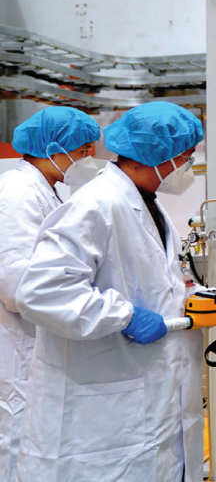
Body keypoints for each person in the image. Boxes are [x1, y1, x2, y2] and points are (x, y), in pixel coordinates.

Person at [14, 102, 216, 482]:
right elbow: (42, 292)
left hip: (148, 398)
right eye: (186, 156)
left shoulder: (148, 205)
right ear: (158, 155)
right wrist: (126, 316)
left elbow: (167, 284)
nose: (189, 165)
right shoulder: (96, 205)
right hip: (101, 413)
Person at [0, 107, 101, 481]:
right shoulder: (18, 193)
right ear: (53, 148)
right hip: (20, 344)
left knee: (36, 441)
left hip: (37, 341)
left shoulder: (44, 191)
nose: (89, 159)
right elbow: (16, 287)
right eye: (83, 150)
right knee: (17, 437)